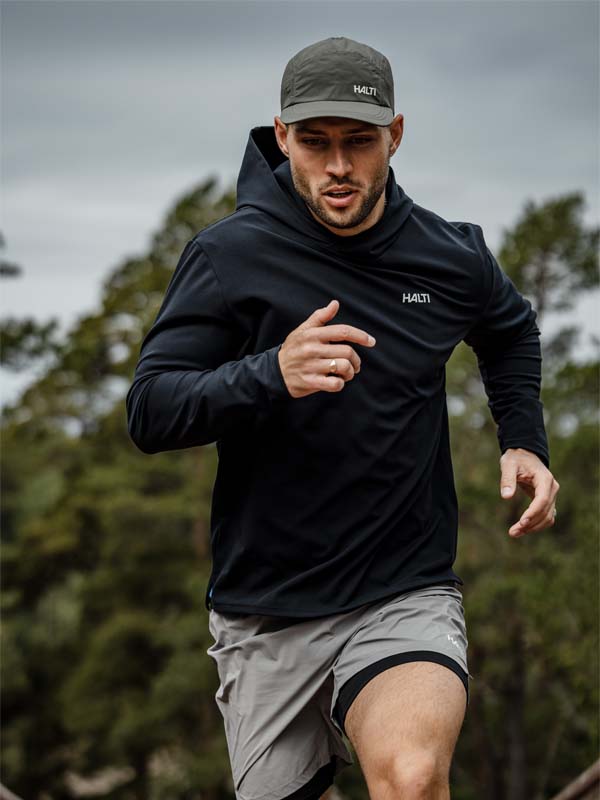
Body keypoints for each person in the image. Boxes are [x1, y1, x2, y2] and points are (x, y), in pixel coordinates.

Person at [126, 35, 560, 800]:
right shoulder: (229, 256)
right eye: (316, 143)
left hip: (403, 590)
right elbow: (151, 409)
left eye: (358, 143)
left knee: (414, 775)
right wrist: (271, 373)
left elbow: (508, 328)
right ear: (281, 135)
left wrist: (522, 436)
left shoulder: (449, 257)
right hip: (265, 612)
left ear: (394, 135)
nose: (337, 167)